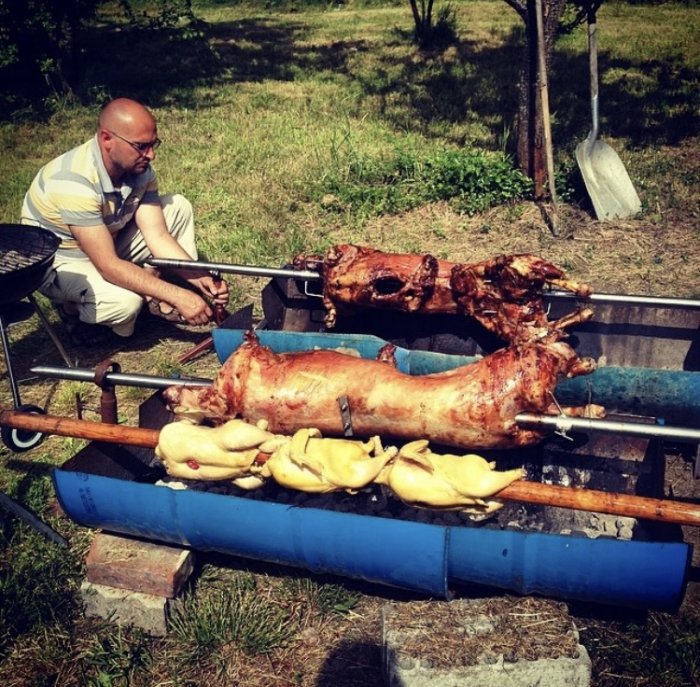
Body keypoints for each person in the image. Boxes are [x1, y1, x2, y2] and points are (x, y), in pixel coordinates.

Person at [21, 97, 229, 343]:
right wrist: (178, 295)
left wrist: (201, 277)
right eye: (141, 146)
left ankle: (150, 290)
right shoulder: (73, 182)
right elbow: (107, 264)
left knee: (177, 207)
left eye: (154, 144)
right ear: (107, 139)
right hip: (62, 262)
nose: (151, 155)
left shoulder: (139, 169)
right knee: (126, 304)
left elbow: (158, 236)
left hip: (104, 239)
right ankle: (73, 312)